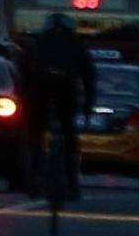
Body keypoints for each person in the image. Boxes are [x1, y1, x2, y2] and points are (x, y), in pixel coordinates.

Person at [14, 11, 99, 216]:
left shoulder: (36, 44)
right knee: (69, 135)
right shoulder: (77, 45)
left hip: (39, 94)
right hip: (66, 93)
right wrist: (88, 106)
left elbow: (22, 76)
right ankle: (72, 183)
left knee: (35, 135)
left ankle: (35, 178)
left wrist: (23, 104)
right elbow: (89, 79)